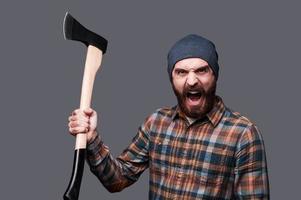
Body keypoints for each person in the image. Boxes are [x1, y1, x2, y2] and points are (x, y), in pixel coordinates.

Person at [68, 34, 270, 199]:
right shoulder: (156, 122)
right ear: (172, 79)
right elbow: (117, 179)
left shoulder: (243, 134)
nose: (192, 81)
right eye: (181, 72)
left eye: (201, 70)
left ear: (214, 75)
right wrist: (92, 138)